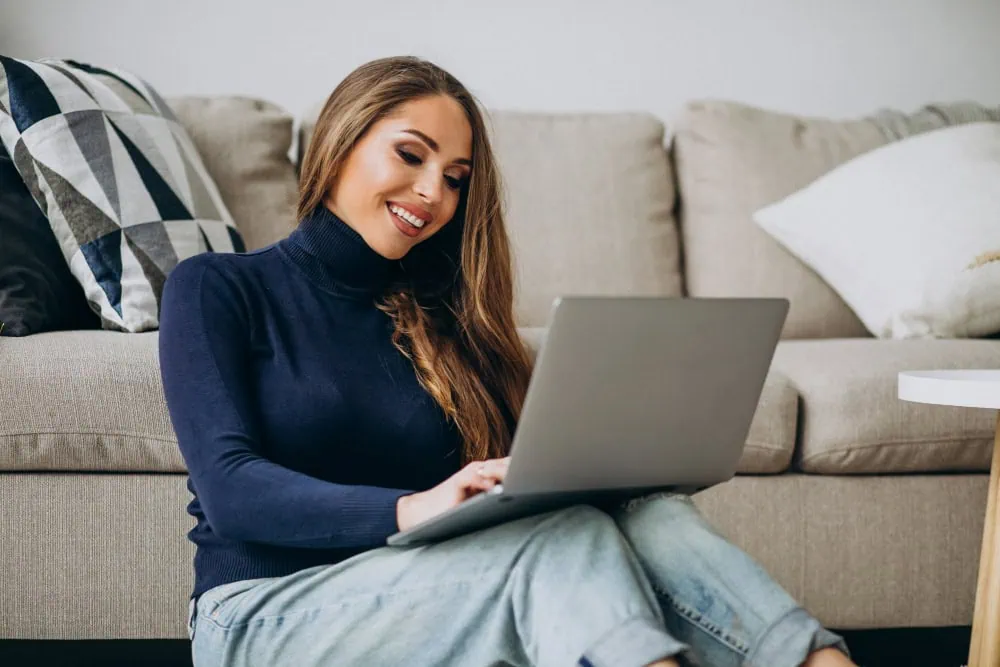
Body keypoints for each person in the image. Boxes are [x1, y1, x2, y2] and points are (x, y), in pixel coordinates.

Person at [159, 55, 856, 667]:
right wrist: (412, 508)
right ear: (342, 141)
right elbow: (231, 489)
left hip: (426, 589)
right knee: (557, 544)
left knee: (651, 516)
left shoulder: (446, 325)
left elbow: (519, 501)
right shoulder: (218, 287)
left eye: (455, 178)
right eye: (411, 155)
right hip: (261, 614)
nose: (433, 193)